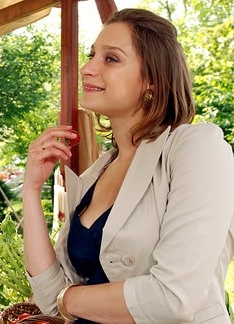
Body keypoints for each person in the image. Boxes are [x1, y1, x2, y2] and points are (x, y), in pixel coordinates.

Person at [22, 8, 234, 324]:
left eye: (111, 59)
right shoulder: (97, 173)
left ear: (152, 80)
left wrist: (71, 298)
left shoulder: (196, 147)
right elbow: (49, 297)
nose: (86, 68)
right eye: (92, 55)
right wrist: (31, 189)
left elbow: (172, 298)